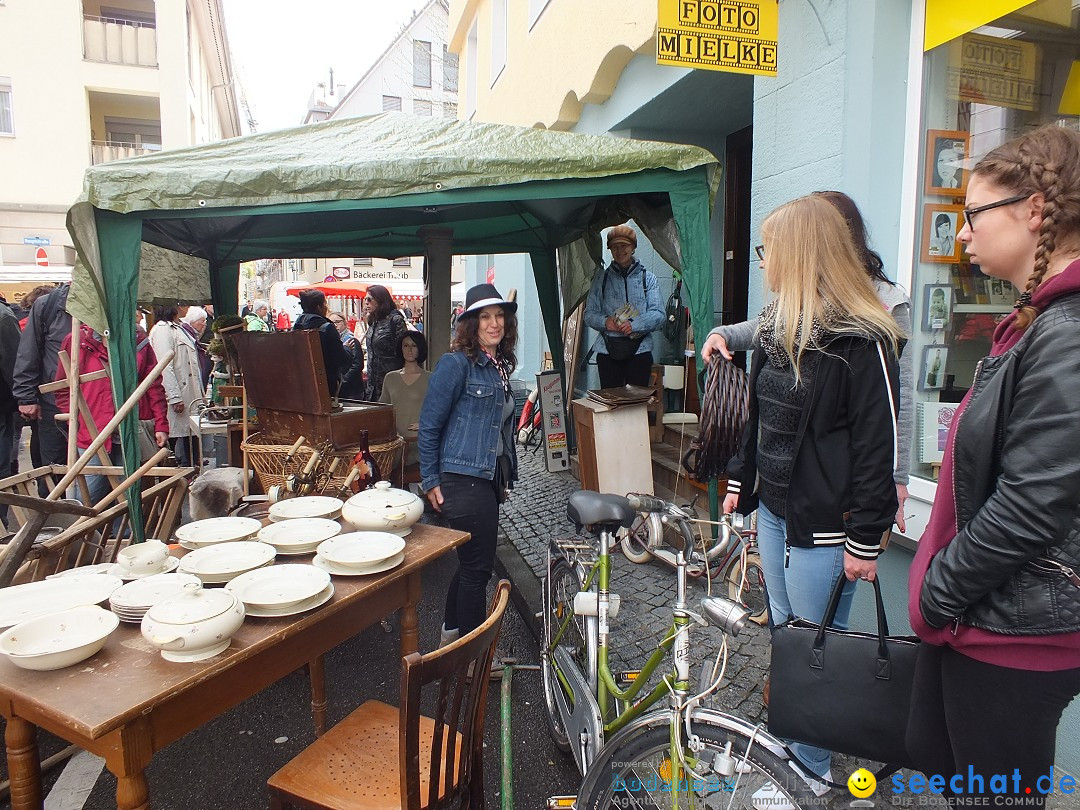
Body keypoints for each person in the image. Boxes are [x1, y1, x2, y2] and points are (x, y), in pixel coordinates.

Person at [906, 125, 1080, 807]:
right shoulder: (1040, 321)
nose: (962, 236)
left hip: (1013, 630)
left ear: (1035, 211)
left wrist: (937, 593)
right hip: (981, 616)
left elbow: (1033, 505)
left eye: (974, 215)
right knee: (934, 756)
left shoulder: (1067, 334)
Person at [721, 195, 901, 805]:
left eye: (767, 250)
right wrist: (740, 485)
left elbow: (881, 447)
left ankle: (812, 774)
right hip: (775, 513)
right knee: (786, 637)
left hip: (827, 528)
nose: (763, 262)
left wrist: (866, 540)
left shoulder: (864, 339)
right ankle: (786, 756)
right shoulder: (781, 329)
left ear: (799, 255)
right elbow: (760, 421)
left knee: (812, 649)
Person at [703, 190, 916, 531]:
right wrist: (724, 334)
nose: (762, 261)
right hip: (781, 499)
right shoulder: (786, 314)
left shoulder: (875, 314)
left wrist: (896, 480)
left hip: (823, 506)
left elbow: (892, 407)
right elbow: (762, 337)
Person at [419, 283, 518, 642]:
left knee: (469, 566)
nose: (494, 324)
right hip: (462, 479)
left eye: (499, 316)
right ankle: (473, 658)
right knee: (477, 570)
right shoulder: (456, 364)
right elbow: (429, 424)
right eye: (485, 317)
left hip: (486, 480)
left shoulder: (498, 368)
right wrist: (430, 480)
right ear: (470, 324)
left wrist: (504, 476)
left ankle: (450, 639)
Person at [54, 321, 169, 504]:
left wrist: (161, 424)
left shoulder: (138, 340)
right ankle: (84, 533)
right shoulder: (77, 340)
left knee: (128, 498)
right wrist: (76, 420)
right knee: (88, 497)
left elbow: (154, 385)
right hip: (91, 432)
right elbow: (62, 388)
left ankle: (122, 533)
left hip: (129, 430)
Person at [583, 224, 664, 388]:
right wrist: (606, 322)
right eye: (615, 247)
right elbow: (589, 314)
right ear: (610, 250)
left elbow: (659, 314)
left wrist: (635, 325)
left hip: (640, 350)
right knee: (611, 404)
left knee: (636, 405)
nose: (620, 251)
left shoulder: (648, 278)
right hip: (607, 350)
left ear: (633, 247)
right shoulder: (601, 279)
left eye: (624, 246)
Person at [13, 283, 72, 492]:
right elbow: (28, 351)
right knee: (54, 466)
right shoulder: (48, 305)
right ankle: (56, 518)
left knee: (94, 467)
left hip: (97, 402)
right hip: (54, 402)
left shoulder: (107, 302)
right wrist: (26, 397)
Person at [149, 305, 202, 468]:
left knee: (190, 433)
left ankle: (190, 468)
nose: (184, 307)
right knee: (175, 435)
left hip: (188, 393)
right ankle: (175, 472)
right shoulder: (162, 330)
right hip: (179, 392)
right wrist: (174, 396)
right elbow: (165, 364)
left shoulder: (177, 327)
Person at [380, 331, 430, 468]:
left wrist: (426, 424)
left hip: (419, 442)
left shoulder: (431, 379)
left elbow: (441, 410)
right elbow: (382, 411)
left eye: (414, 346)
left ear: (420, 348)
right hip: (394, 443)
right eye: (405, 345)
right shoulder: (390, 378)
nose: (409, 350)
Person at [293, 290, 353, 397]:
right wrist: (347, 348)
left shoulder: (296, 327)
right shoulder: (327, 328)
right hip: (325, 383)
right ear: (318, 307)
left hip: (302, 382)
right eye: (325, 303)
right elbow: (342, 359)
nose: (327, 307)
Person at [362, 284, 407, 401]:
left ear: (380, 300)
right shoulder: (373, 321)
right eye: (365, 299)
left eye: (369, 299)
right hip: (373, 386)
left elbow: (405, 351)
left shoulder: (395, 320)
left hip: (391, 384)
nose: (366, 302)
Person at [328, 310, 365, 399]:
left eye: (338, 322)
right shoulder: (333, 341)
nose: (335, 325)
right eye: (331, 323)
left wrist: (343, 380)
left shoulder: (351, 340)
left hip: (352, 389)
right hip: (339, 389)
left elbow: (357, 365)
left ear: (345, 323)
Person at [181, 306, 213, 392]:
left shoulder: (191, 333)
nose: (204, 324)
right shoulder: (187, 334)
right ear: (193, 321)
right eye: (202, 321)